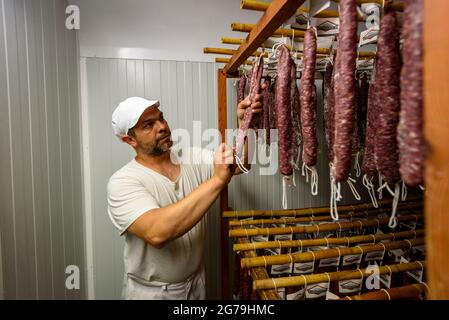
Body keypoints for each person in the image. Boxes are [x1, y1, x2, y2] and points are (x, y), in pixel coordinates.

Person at [107, 93, 263, 300]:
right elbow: (158, 232)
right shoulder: (123, 181)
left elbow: (240, 164)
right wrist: (217, 181)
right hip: (151, 293)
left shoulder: (192, 157)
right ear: (129, 139)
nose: (162, 126)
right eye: (148, 125)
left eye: (161, 118)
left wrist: (246, 124)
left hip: (196, 283)